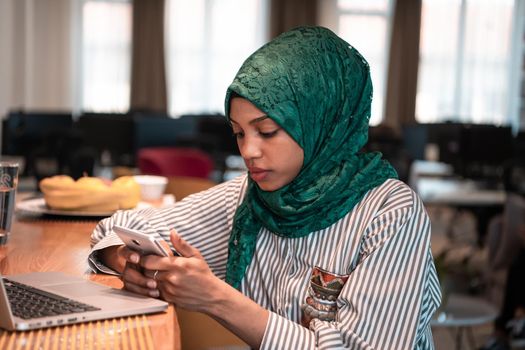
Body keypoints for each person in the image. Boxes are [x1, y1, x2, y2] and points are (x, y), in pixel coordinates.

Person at [89, 26, 441, 349]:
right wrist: (127, 262)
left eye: (267, 130)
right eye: (239, 133)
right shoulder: (250, 197)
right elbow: (119, 228)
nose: (248, 151)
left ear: (320, 121)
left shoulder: (392, 212)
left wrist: (216, 298)